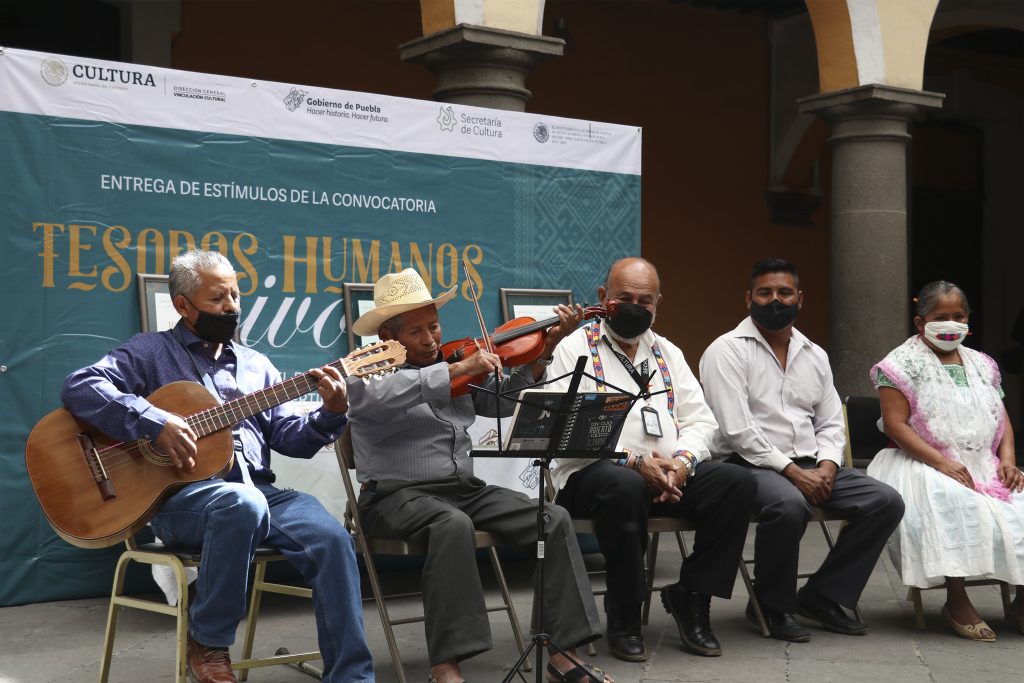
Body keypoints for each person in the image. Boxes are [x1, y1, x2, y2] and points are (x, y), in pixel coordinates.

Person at [60, 250, 373, 683]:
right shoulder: (150, 352)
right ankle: (208, 642)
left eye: (235, 294)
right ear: (183, 305)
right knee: (239, 503)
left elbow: (291, 441)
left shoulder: (255, 365)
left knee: (332, 538)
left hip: (259, 493)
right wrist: (153, 421)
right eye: (217, 298)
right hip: (179, 501)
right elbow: (80, 387)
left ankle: (352, 677)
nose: (231, 306)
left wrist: (331, 413)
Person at [345, 268, 612, 683]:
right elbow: (370, 400)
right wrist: (454, 370)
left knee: (552, 518)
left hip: (461, 489)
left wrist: (544, 351)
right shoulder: (370, 371)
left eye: (433, 326)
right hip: (394, 497)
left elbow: (504, 405)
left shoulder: (456, 365)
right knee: (452, 525)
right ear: (387, 338)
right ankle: (446, 667)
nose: (431, 339)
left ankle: (563, 652)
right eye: (416, 332)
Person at [545, 257, 756, 660]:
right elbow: (566, 430)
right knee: (624, 486)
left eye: (645, 300)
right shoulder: (574, 347)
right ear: (604, 298)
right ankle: (624, 610)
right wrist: (635, 462)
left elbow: (700, 420)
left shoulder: (668, 353)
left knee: (737, 484)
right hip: (593, 475)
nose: (634, 307)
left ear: (659, 303)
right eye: (624, 298)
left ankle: (692, 596)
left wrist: (682, 463)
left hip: (666, 472)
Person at [699, 257, 904, 642]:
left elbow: (828, 422)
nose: (775, 300)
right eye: (765, 292)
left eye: (784, 292)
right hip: (747, 467)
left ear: (800, 298)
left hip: (812, 464)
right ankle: (771, 605)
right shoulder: (726, 350)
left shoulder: (814, 354)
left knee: (885, 501)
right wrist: (792, 473)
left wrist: (827, 465)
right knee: (787, 505)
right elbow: (738, 430)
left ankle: (822, 596)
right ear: (748, 298)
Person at [867, 280, 1024, 641]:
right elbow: (895, 425)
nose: (951, 323)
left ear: (969, 320)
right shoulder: (899, 365)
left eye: (959, 316)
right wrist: (942, 463)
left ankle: (1020, 601)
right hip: (919, 459)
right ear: (921, 323)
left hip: (983, 459)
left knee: (1020, 500)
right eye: (941, 317)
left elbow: (1001, 418)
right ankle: (956, 600)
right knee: (955, 501)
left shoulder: (983, 363)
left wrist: (1009, 458)